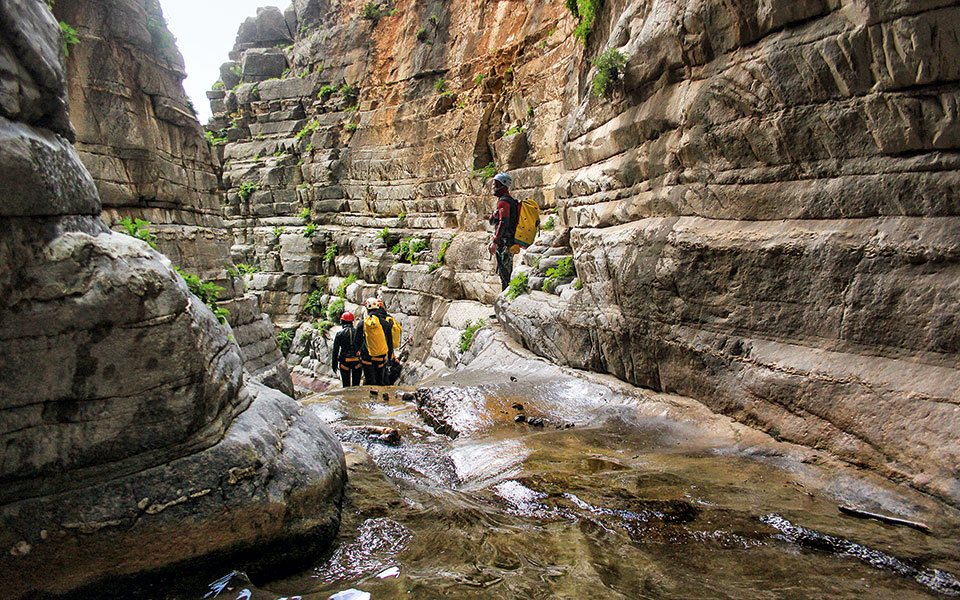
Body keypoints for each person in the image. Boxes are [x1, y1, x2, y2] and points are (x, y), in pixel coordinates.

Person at [488, 172, 519, 291]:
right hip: (509, 242)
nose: (493, 188)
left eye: (496, 185)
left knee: (505, 276)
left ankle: (507, 300)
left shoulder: (503, 202)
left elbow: (503, 222)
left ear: (503, 185)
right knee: (506, 274)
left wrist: (495, 242)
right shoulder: (510, 201)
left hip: (504, 244)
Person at [360, 298, 394, 385]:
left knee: (369, 381)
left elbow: (357, 342)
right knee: (380, 381)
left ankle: (369, 397)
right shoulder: (386, 323)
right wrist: (390, 357)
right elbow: (390, 343)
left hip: (366, 358)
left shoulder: (362, 323)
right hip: (380, 358)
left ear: (367, 308)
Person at [331, 312, 363, 387]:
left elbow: (335, 351)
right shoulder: (358, 332)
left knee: (346, 385)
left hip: (345, 361)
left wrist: (334, 364)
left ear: (342, 322)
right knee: (356, 386)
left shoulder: (339, 334)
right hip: (357, 361)